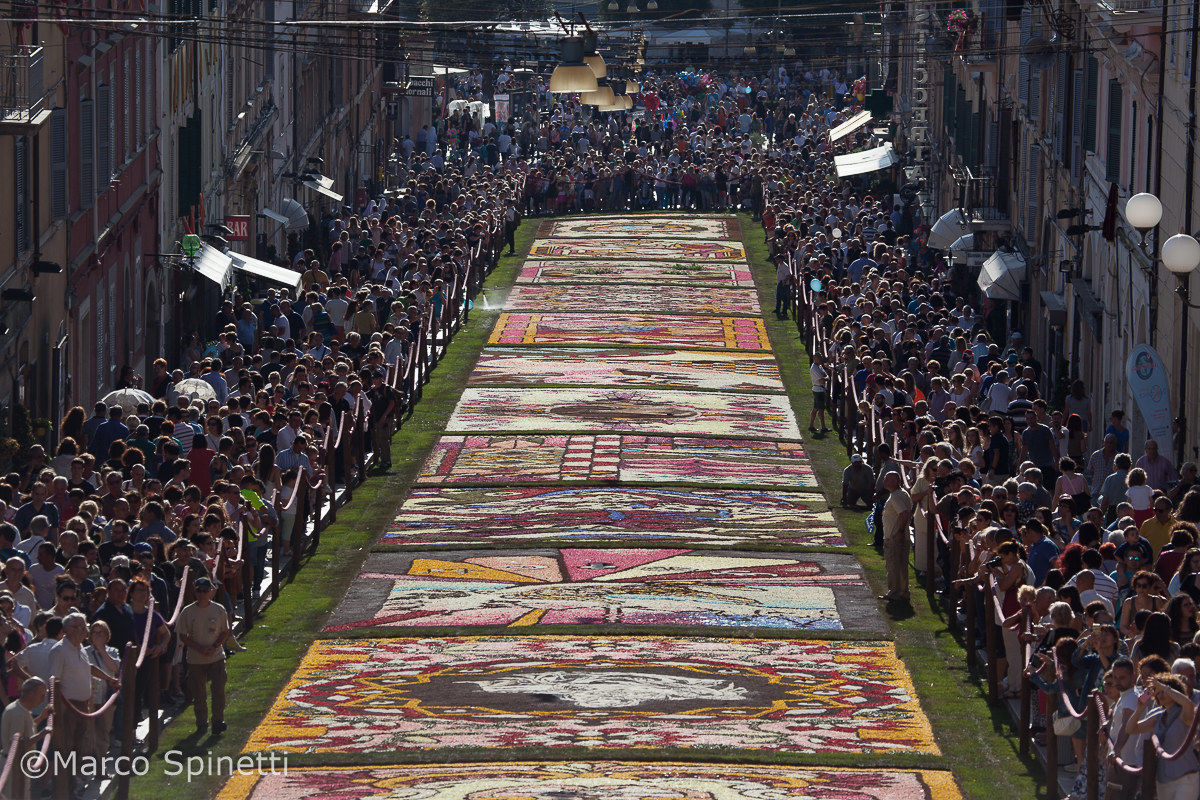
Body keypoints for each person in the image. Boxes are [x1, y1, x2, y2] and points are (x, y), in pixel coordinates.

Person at [1125, 673, 1199, 799]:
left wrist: (1164, 687)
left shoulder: (1184, 713)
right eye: (1157, 692)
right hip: (1163, 780)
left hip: (1186, 777)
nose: (1161, 694)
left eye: (1163, 691)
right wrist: (1139, 710)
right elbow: (1130, 729)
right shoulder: (1158, 716)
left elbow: (1188, 704)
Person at [176, 576, 230, 734]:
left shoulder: (219, 609)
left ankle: (218, 721)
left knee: (218, 690)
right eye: (198, 591)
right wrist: (199, 648)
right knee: (198, 694)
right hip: (195, 660)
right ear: (195, 592)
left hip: (216, 657)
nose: (201, 594)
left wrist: (214, 646)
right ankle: (201, 723)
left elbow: (225, 632)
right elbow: (182, 635)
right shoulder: (188, 611)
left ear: (211, 591)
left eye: (205, 591)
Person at [880, 472, 913, 607]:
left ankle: (895, 592)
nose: (885, 481)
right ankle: (902, 592)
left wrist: (899, 531)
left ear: (896, 481)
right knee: (901, 565)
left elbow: (904, 513)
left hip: (895, 537)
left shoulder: (895, 496)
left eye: (888, 479)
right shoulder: (903, 493)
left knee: (894, 565)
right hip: (900, 536)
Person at [808, 353, 828, 433]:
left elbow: (825, 375)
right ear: (815, 359)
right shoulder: (814, 368)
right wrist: (826, 378)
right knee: (819, 409)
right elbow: (822, 380)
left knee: (816, 408)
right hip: (818, 390)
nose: (820, 360)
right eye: (818, 358)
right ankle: (822, 427)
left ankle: (812, 426)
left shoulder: (818, 366)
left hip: (819, 389)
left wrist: (825, 377)